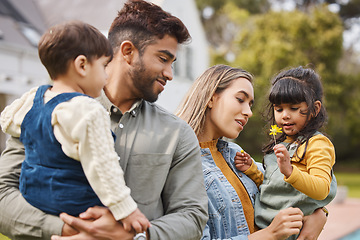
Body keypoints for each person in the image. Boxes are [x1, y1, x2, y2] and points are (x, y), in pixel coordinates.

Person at [0, 1, 208, 240]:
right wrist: (66, 230)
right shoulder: (43, 112)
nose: (170, 74)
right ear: (128, 52)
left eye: (172, 63)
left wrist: (134, 237)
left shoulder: (178, 134)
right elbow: (2, 195)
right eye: (163, 59)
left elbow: (192, 216)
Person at [0, 20, 151, 234]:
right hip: (76, 206)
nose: (107, 75)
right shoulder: (87, 110)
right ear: (82, 65)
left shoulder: (32, 99)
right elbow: (102, 165)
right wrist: (126, 210)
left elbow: (7, 120)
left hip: (35, 199)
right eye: (103, 66)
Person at [176, 64, 334, 240]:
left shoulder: (235, 155)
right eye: (240, 99)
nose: (249, 112)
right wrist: (270, 234)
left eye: (250, 104)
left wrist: (319, 213)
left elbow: (281, 187)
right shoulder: (182, 166)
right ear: (211, 98)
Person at [234, 66, 337, 239]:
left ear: (315, 108)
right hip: (266, 230)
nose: (285, 116)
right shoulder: (280, 144)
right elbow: (275, 186)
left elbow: (321, 189)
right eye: (279, 109)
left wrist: (290, 171)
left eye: (294, 108)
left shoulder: (317, 144)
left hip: (292, 231)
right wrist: (251, 169)